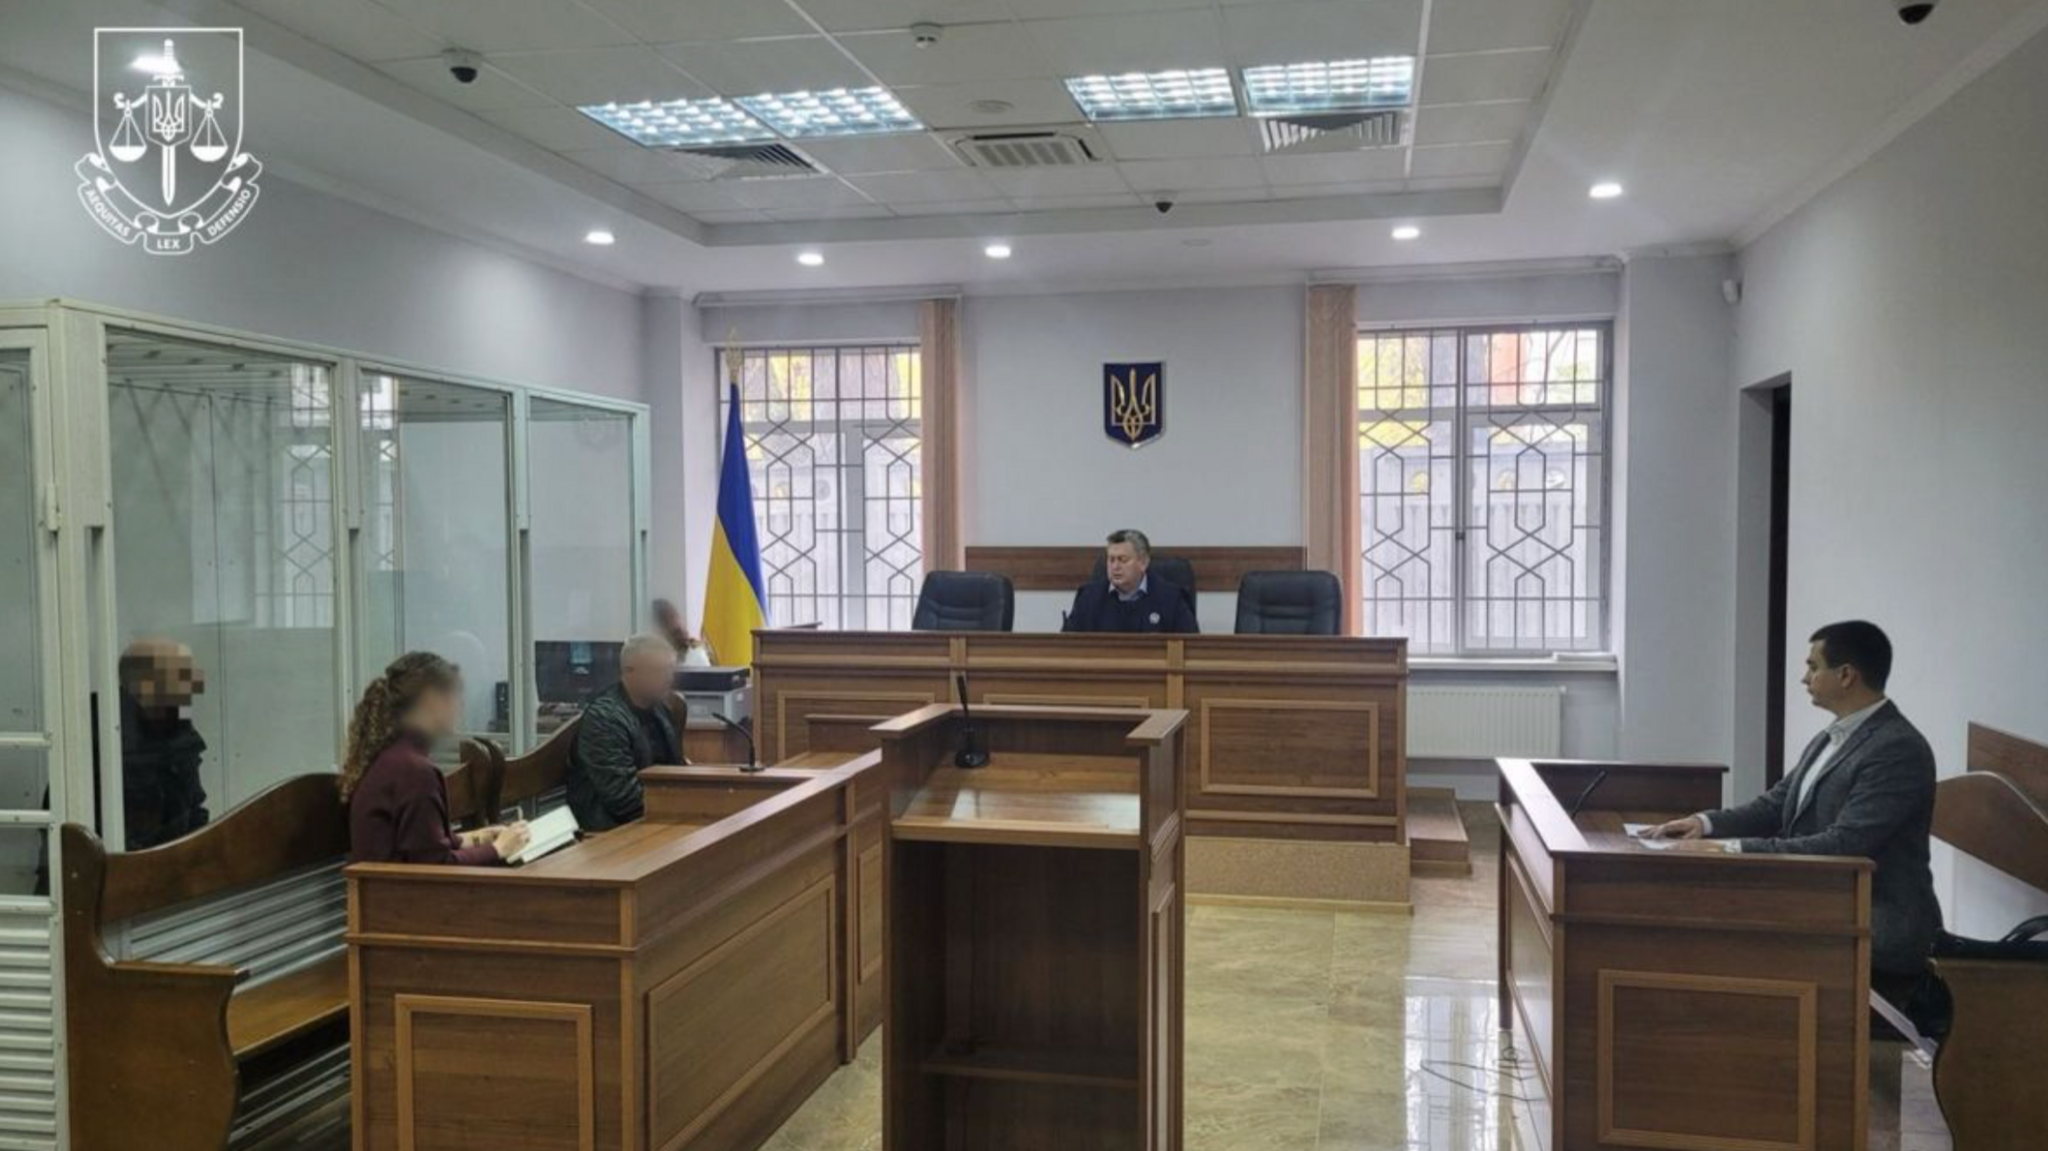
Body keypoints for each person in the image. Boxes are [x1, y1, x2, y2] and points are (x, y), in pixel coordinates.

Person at [1644, 620, 1942, 976]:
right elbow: (1775, 805)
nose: (1804, 678)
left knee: (1721, 937)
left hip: (1876, 920)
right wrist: (1704, 824)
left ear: (1846, 675)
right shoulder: (1832, 736)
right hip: (1821, 899)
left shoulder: (1896, 748)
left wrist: (1728, 850)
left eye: (1813, 667)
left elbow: (1845, 845)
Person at [342, 652, 528, 865]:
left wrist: (477, 838)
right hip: (398, 887)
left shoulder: (393, 756)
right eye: (454, 695)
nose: (459, 705)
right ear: (432, 700)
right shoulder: (414, 771)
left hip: (384, 884)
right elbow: (436, 866)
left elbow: (424, 845)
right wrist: (498, 849)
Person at [566, 633, 682, 830]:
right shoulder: (604, 719)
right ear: (629, 672)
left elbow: (676, 770)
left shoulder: (660, 708)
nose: (669, 679)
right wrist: (680, 808)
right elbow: (623, 799)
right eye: (659, 671)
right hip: (609, 828)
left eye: (671, 670)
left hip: (653, 815)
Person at [118, 638, 213, 850]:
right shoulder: (101, 737)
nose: (194, 683)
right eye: (182, 674)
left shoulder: (178, 729)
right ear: (146, 684)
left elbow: (195, 809)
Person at [1062, 528, 1199, 634]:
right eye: (1111, 560)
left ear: (1143, 562)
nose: (1115, 566)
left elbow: (1192, 648)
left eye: (1123, 560)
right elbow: (1067, 646)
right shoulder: (1088, 597)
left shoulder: (1171, 598)